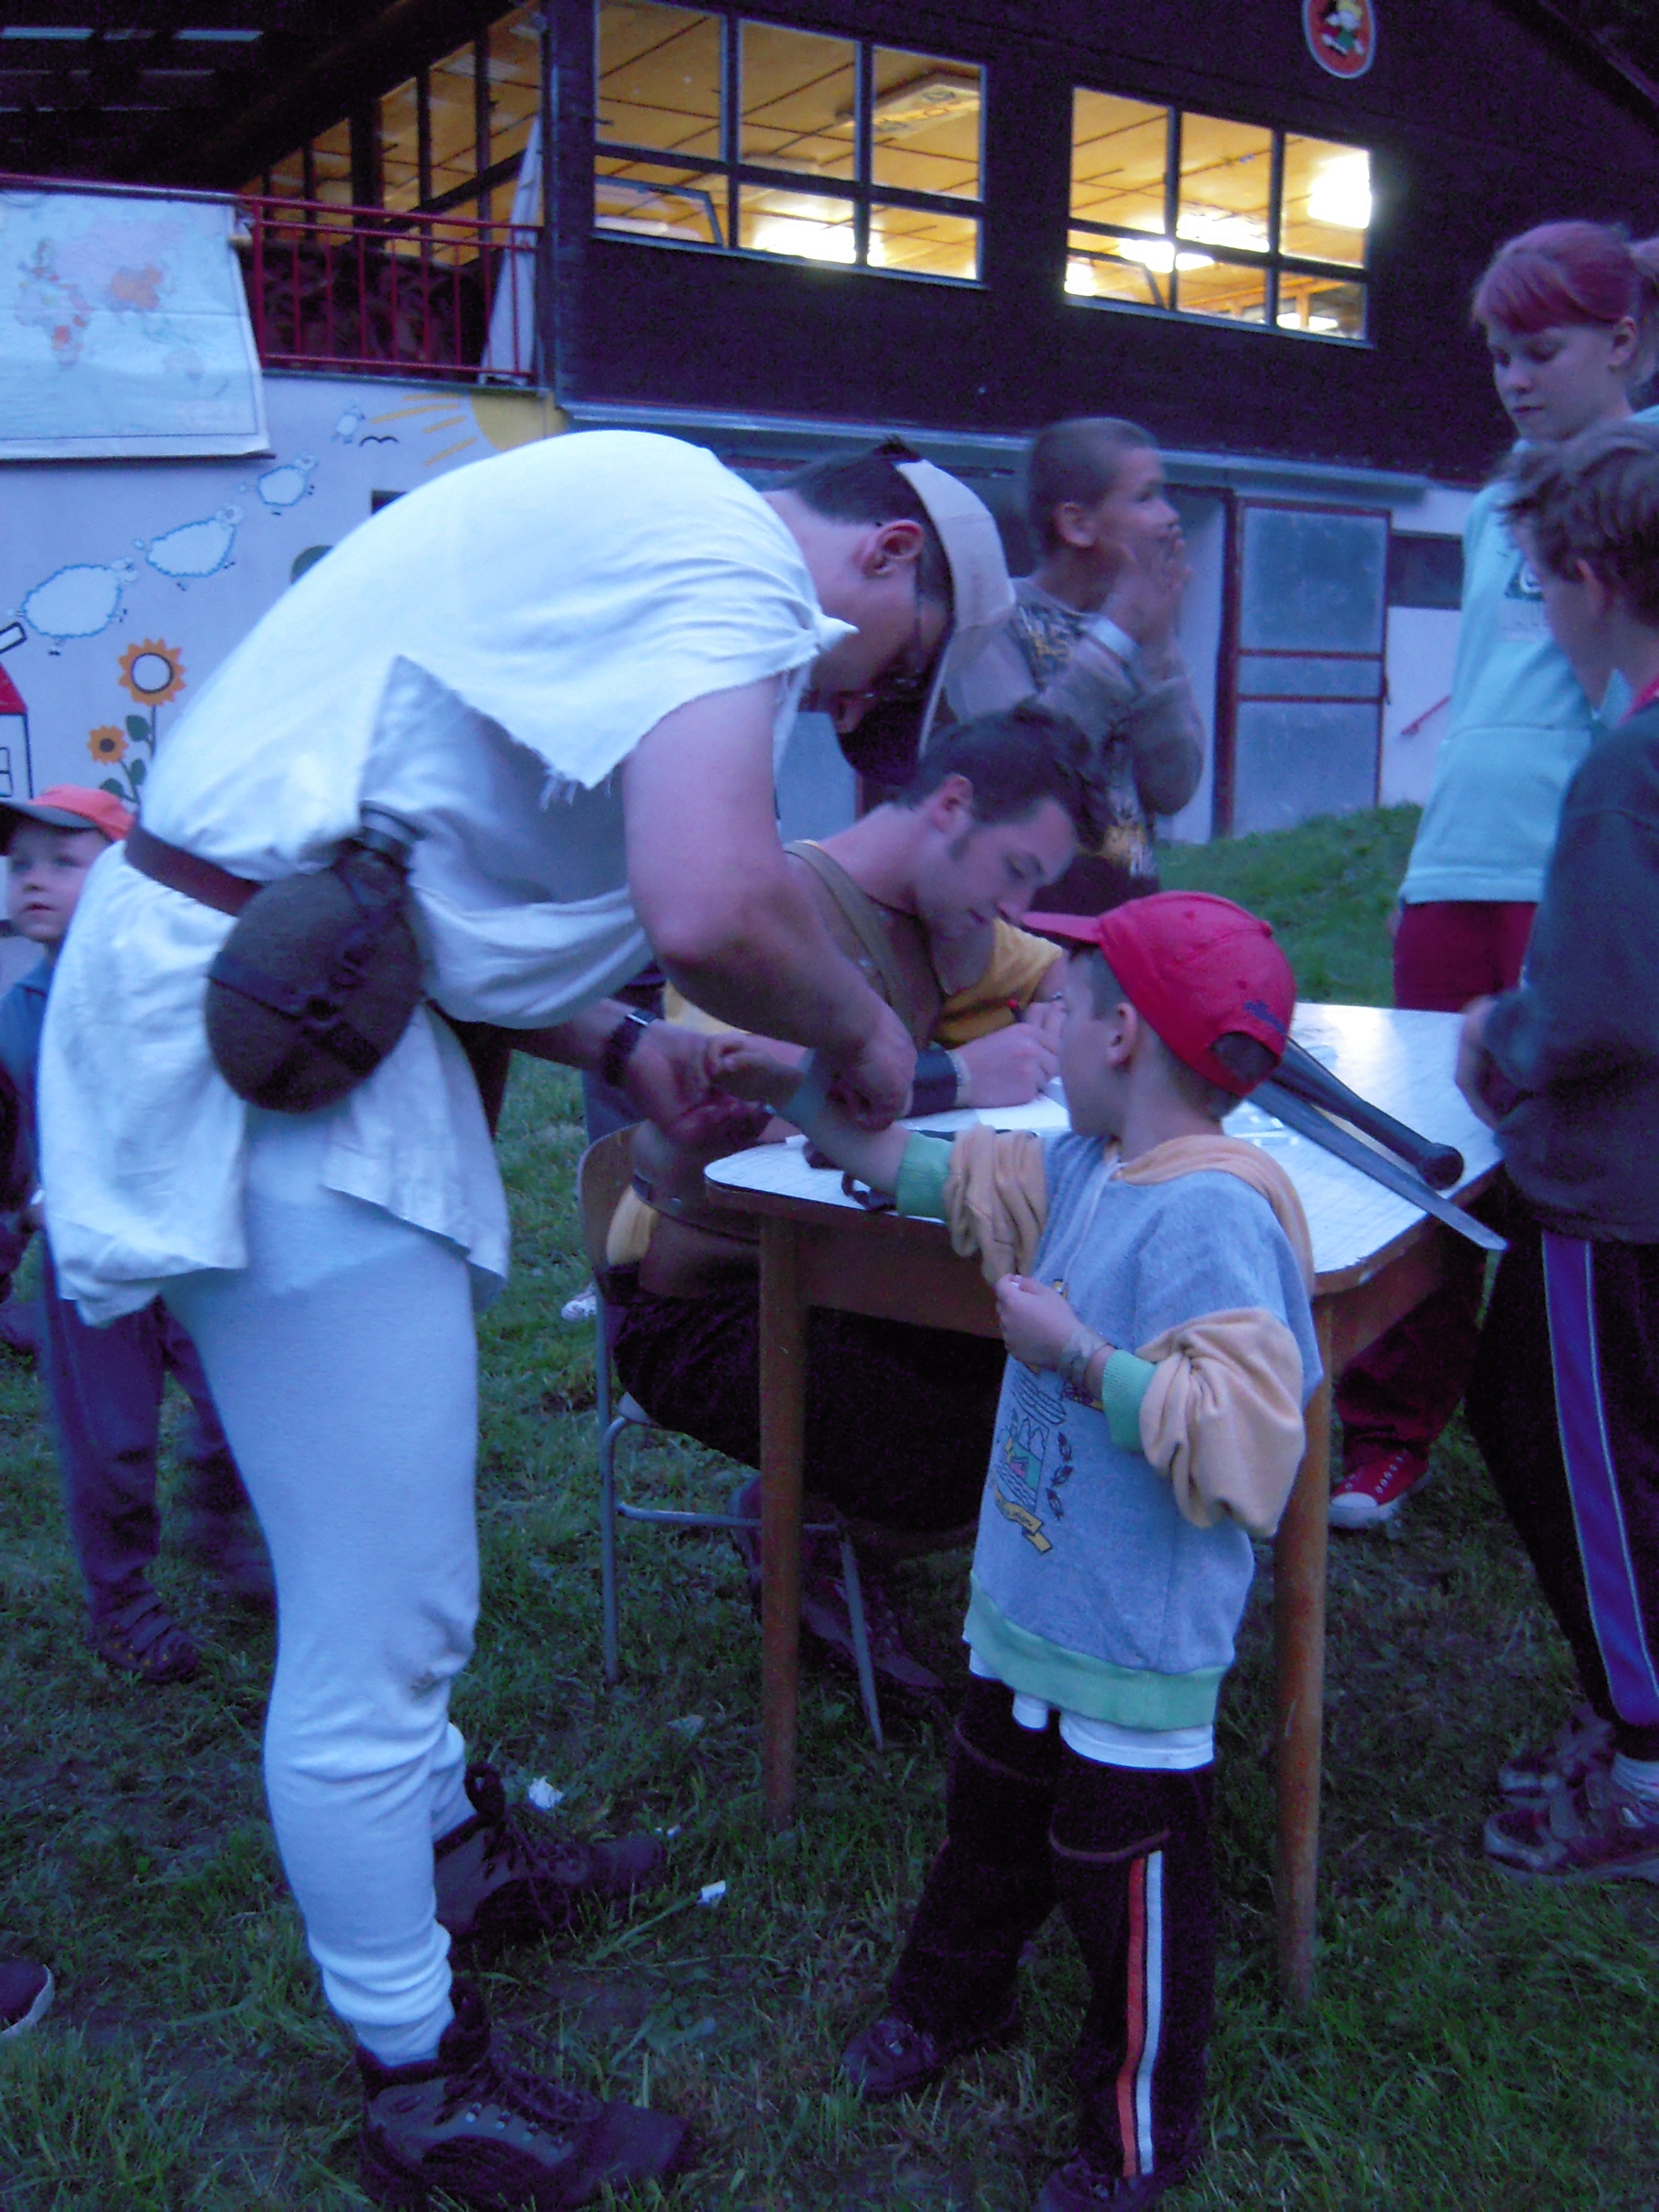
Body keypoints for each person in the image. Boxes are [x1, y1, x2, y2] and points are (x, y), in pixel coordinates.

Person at [35, 427, 1012, 2209]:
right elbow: (710, 899)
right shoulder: (723, 550)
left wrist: (624, 1047)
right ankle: (420, 2087)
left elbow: (416, 883)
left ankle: (452, 1860)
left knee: (383, 1564)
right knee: (380, 1617)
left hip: (292, 993)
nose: (854, 706)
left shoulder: (628, 523)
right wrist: (863, 1036)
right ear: (886, 555)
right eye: (899, 671)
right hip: (270, 1042)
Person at [708, 891, 1319, 2212]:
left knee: (1127, 1893)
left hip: (1131, 1649)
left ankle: (1137, 2139)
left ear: (1122, 1037)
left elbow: (1246, 1446)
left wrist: (1081, 1360)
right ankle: (953, 2000)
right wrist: (794, 1092)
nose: (1046, 1031)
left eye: (1066, 1009)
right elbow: (922, 1173)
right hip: (1034, 1607)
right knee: (985, 1826)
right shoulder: (1089, 1164)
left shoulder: (1215, 1216)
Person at [608, 705, 1098, 1693]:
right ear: (951, 806)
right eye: (1014, 872)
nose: (1015, 905)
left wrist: (1053, 1019)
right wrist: (959, 1075)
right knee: (976, 1452)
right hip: (700, 1304)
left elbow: (1056, 970)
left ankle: (832, 1513)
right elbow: (732, 1103)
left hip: (847, 1278)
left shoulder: (950, 919)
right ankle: (797, 1525)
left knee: (1054, 1400)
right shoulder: (772, 905)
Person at [1332, 220, 1659, 1532]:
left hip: (1572, 870)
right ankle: (1391, 1428)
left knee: (1557, 1138)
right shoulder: (1492, 500)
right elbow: (1488, 689)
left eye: (1544, 349)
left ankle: (1573, 1386)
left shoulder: (1645, 472)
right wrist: (1432, 856)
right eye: (1499, 356)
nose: (1516, 379)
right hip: (1458, 863)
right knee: (1431, 1143)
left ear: (1624, 342)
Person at [1455, 419, 1659, 1882]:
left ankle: (1644, 1774)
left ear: (1588, 578)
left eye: (1535, 584)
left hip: (1609, 1194)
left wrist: (1501, 1033)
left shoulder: (1627, 770)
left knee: (1585, 1462)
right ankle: (1624, 1695)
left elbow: (1599, 1006)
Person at [0, 786, 267, 1683]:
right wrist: (22, 1216)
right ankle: (121, 1605)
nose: (33, 881)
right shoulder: (19, 1012)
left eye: (62, 862)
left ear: (127, 880)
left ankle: (221, 1532)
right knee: (109, 1445)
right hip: (86, 1269)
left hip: (191, 1244)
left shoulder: (177, 985)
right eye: (20, 865)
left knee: (239, 1408)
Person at [945, 416, 1204, 915]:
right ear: (1077, 525)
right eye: (1146, 497)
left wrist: (1158, 649)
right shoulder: (995, 617)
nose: (1170, 516)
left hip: (1125, 917)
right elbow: (1022, 767)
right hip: (1021, 918)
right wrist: (1120, 631)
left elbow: (1174, 789)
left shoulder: (1144, 625)